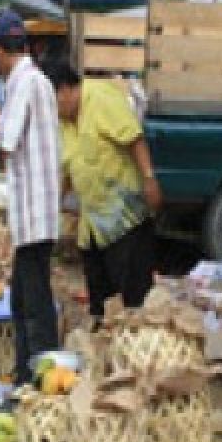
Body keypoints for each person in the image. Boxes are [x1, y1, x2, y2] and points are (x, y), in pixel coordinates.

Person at [48, 63, 162, 320]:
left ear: (65, 90)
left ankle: (135, 349)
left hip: (125, 221)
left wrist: (149, 179)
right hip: (93, 228)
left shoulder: (101, 98)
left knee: (133, 300)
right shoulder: (64, 121)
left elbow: (134, 138)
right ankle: (103, 347)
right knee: (100, 302)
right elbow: (70, 166)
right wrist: (55, 205)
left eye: (52, 101)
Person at [0, 11, 61, 386]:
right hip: (36, 213)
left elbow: (7, 143)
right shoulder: (38, 81)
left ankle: (41, 381)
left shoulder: (24, 83)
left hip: (31, 213)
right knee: (25, 302)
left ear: (0, 51)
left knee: (33, 306)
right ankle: (27, 376)